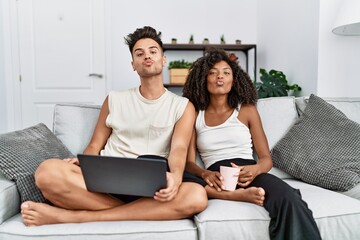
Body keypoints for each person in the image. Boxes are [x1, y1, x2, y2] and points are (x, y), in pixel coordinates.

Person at [20, 26, 208, 226]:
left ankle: (75, 216)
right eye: (139, 53)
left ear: (163, 60)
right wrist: (84, 163)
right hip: (107, 181)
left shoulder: (183, 106)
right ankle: (139, 212)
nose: (147, 56)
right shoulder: (114, 99)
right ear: (133, 64)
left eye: (153, 51)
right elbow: (94, 145)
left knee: (196, 195)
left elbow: (178, 149)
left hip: (153, 186)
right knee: (46, 172)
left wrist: (176, 179)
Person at [183, 49, 321, 240]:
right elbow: (189, 163)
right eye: (213, 73)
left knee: (288, 197)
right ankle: (233, 194)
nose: (219, 77)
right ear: (203, 79)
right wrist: (205, 173)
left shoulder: (247, 110)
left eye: (226, 72)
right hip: (216, 176)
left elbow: (266, 159)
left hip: (249, 172)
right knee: (182, 176)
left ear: (234, 80)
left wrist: (255, 170)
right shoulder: (195, 114)